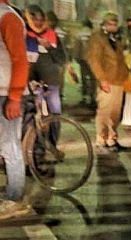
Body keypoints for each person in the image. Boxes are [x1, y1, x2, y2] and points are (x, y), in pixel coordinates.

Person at [0, 0, 31, 220]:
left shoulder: (7, 17)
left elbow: (20, 59)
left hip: (5, 92)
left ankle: (15, 199)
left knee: (10, 145)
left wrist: (14, 97)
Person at [25, 4, 67, 147]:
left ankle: (53, 144)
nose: (38, 23)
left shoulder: (52, 35)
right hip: (30, 84)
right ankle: (34, 146)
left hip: (51, 82)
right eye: (34, 20)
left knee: (55, 114)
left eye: (41, 20)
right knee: (31, 115)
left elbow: (62, 59)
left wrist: (49, 47)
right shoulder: (24, 36)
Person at [87, 12, 129, 152]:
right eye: (110, 23)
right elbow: (94, 60)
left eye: (115, 24)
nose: (113, 26)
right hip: (107, 80)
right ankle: (101, 138)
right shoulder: (97, 38)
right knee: (104, 111)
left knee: (115, 113)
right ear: (104, 24)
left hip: (118, 80)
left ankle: (112, 138)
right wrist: (102, 79)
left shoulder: (116, 39)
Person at [72, 19, 96, 107]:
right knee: (93, 79)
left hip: (82, 59)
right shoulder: (94, 34)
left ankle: (84, 97)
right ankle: (93, 97)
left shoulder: (79, 34)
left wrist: (76, 58)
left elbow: (77, 48)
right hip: (93, 60)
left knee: (84, 78)